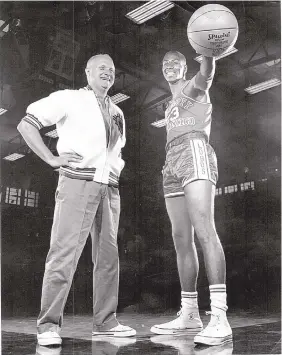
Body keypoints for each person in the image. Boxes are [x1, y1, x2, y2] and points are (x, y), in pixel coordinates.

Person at [17, 54, 136, 346]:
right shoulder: (68, 98)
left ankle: (106, 322)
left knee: (108, 258)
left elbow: (114, 152)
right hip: (77, 182)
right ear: (87, 73)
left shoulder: (118, 112)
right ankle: (47, 325)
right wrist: (50, 158)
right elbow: (26, 124)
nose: (107, 73)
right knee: (64, 253)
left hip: (109, 187)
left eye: (111, 69)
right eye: (101, 68)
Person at [150, 51, 232, 346]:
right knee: (180, 237)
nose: (169, 65)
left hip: (194, 147)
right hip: (171, 159)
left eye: (176, 62)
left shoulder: (194, 86)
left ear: (185, 68)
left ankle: (220, 317)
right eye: (165, 63)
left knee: (203, 228)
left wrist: (208, 53)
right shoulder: (170, 103)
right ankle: (190, 314)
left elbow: (207, 74)